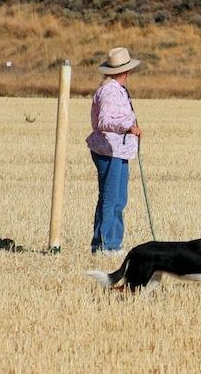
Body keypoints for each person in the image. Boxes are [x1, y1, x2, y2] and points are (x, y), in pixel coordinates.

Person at [86, 47, 143, 256]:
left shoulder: (117, 89)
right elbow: (104, 121)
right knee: (110, 199)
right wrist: (127, 128)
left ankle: (112, 244)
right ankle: (103, 245)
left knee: (119, 199)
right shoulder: (110, 91)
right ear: (126, 72)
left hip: (119, 151)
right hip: (108, 150)